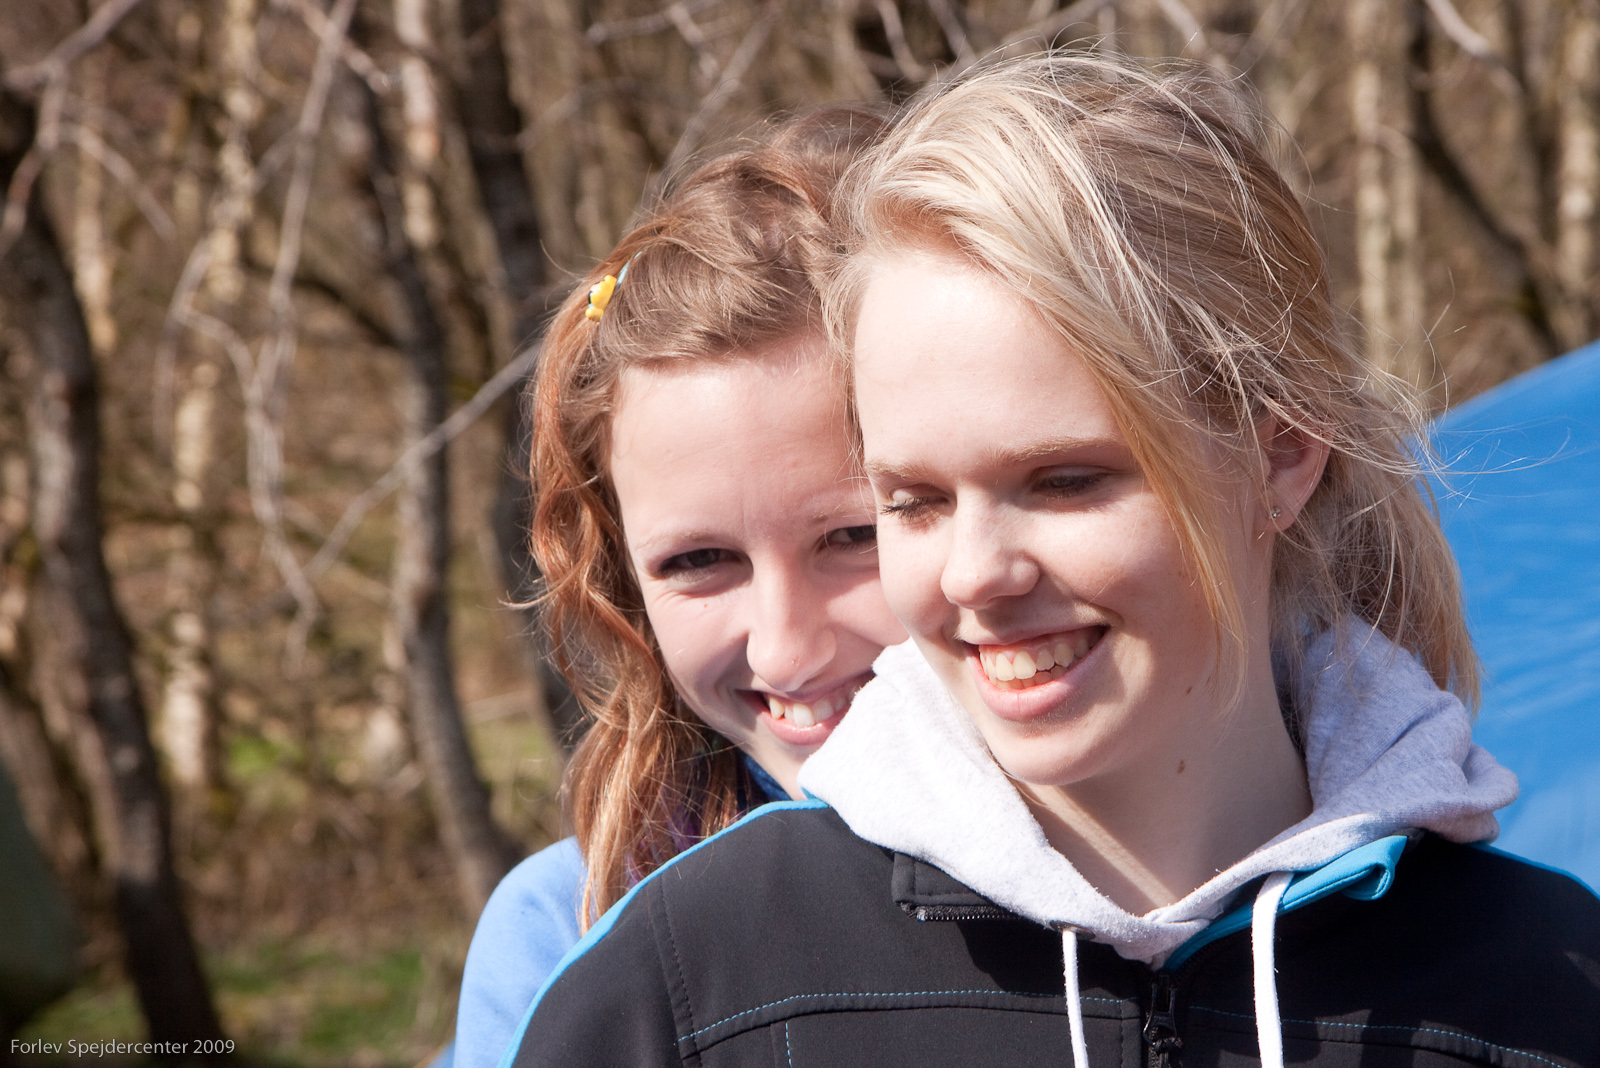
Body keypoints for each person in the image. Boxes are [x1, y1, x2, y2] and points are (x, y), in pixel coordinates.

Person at [502, 54, 1600, 1068]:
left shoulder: (1544, 992)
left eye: (1065, 480)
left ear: (1279, 454)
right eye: (912, 502)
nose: (975, 574)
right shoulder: (692, 990)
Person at [451, 107, 905, 1068]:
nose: (786, 647)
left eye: (853, 537)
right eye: (699, 562)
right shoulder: (569, 938)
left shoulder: (1157, 868)